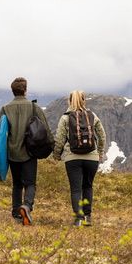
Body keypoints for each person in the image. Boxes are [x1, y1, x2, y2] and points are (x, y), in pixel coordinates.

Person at [52, 90, 107, 227]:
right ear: (84, 101)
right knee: (88, 186)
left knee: (76, 189)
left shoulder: (65, 118)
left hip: (72, 158)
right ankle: (88, 217)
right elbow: (102, 136)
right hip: (92, 158)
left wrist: (57, 155)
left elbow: (59, 139)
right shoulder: (92, 116)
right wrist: (99, 152)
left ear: (69, 101)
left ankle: (78, 219)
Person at [0, 77, 49, 225]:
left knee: (17, 184)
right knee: (30, 184)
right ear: (25, 90)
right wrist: (51, 147)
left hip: (12, 153)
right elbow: (44, 129)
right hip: (29, 152)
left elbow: (1, 131)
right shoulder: (34, 108)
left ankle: (16, 213)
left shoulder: (5, 108)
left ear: (13, 91)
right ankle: (26, 206)